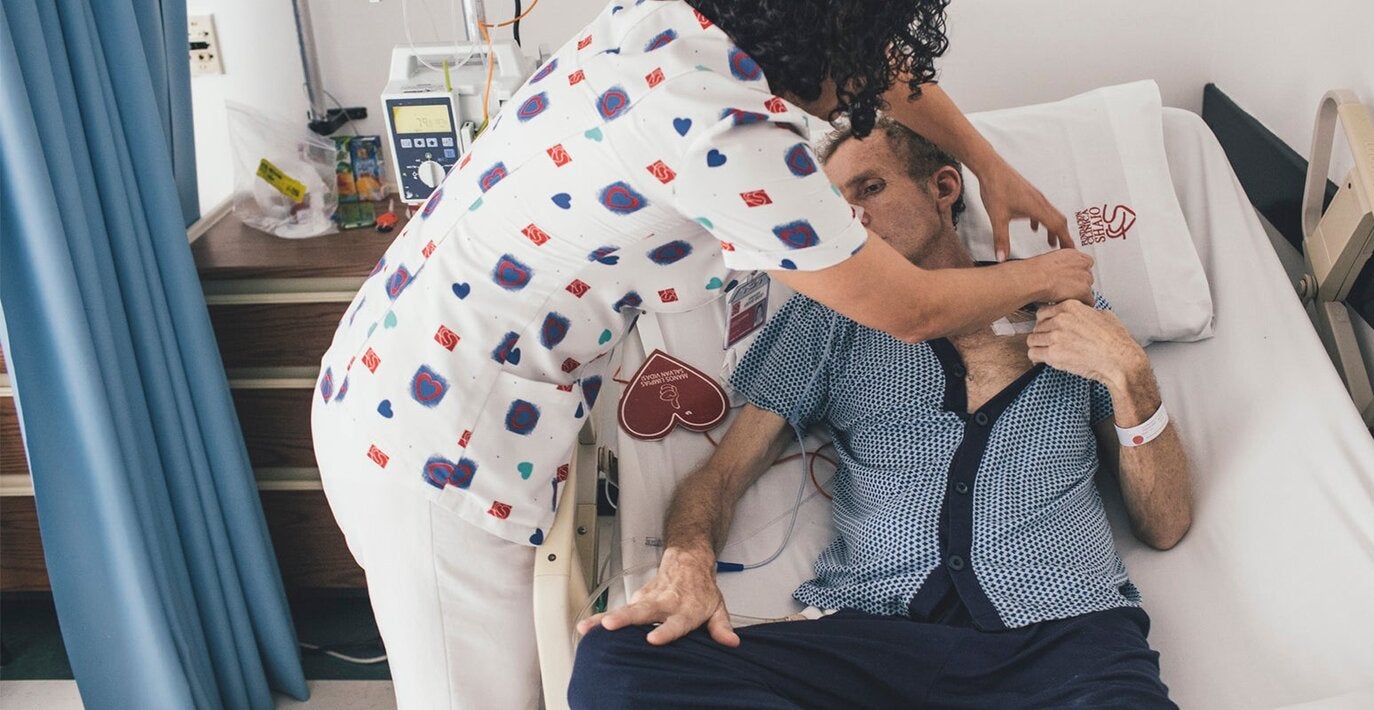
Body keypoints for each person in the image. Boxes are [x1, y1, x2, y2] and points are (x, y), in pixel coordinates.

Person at [310, 0, 1095, 706]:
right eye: (845, 91)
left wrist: (991, 161)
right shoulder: (730, 136)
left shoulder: (675, 19)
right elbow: (911, 311)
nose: (851, 107)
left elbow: (870, 58)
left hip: (389, 360)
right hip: (439, 434)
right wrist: (1049, 273)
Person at [570, 119, 1193, 708]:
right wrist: (687, 561)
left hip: (1063, 647)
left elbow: (1165, 525)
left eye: (871, 187)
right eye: (840, 205)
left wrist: (1129, 373)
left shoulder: (1064, 306)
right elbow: (721, 475)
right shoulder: (828, 321)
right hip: (873, 644)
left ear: (944, 187)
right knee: (616, 662)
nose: (857, 215)